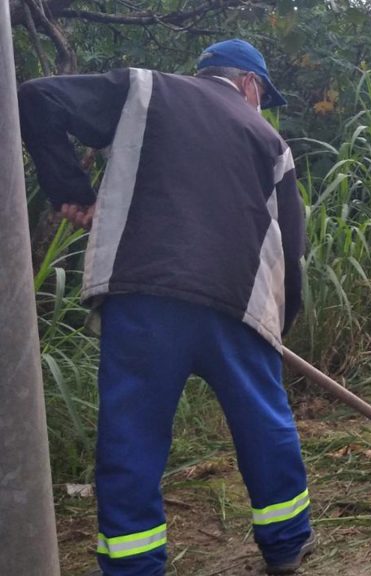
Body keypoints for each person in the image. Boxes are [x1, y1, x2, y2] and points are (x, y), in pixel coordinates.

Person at [18, 39, 314, 575]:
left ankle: (134, 567)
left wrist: (71, 189)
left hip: (143, 297)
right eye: (263, 97)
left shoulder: (144, 89)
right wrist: (279, 325)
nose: (262, 109)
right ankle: (287, 546)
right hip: (238, 305)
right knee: (265, 425)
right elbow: (291, 247)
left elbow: (37, 97)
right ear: (249, 85)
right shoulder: (268, 139)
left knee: (131, 435)